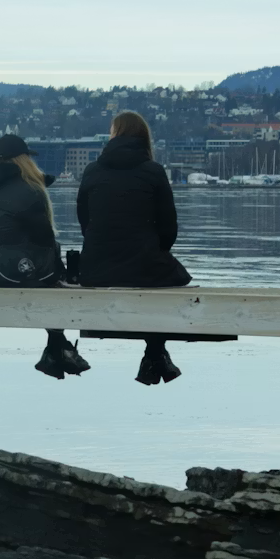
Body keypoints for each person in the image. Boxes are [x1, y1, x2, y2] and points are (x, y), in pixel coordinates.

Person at [76, 111, 191, 385]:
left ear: (113, 135)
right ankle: (154, 352)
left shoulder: (92, 171)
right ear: (144, 137)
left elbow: (85, 223)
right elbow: (169, 231)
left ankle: (155, 355)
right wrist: (153, 248)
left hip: (95, 270)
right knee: (168, 279)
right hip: (143, 267)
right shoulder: (153, 172)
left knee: (153, 274)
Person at [0, 133, 89, 380]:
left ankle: (57, 347)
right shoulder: (30, 191)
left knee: (38, 267)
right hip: (8, 270)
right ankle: (57, 346)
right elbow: (44, 240)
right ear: (23, 160)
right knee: (54, 266)